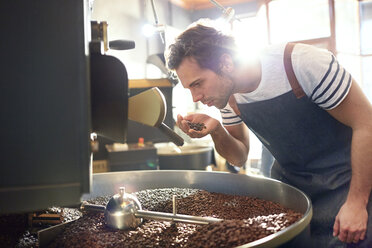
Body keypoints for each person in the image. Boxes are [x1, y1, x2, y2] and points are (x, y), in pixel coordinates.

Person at [165, 21, 372, 247]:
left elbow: (366, 124)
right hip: (292, 193)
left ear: (225, 63)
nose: (196, 97)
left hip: (350, 185)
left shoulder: (302, 65)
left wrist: (356, 203)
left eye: (198, 84)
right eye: (190, 89)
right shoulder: (227, 95)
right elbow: (239, 157)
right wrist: (216, 130)